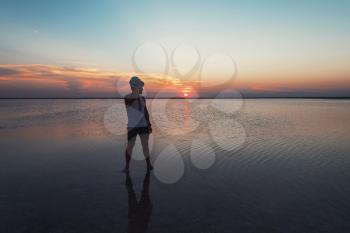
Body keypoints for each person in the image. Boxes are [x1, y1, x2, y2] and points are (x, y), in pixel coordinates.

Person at [123, 76, 153, 172]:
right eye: (140, 87)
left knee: (145, 146)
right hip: (132, 126)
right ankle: (127, 167)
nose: (142, 89)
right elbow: (131, 101)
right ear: (134, 87)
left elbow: (145, 112)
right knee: (130, 146)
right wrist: (135, 89)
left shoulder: (143, 98)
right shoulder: (128, 98)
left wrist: (149, 124)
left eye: (142, 87)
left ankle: (148, 165)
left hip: (143, 126)